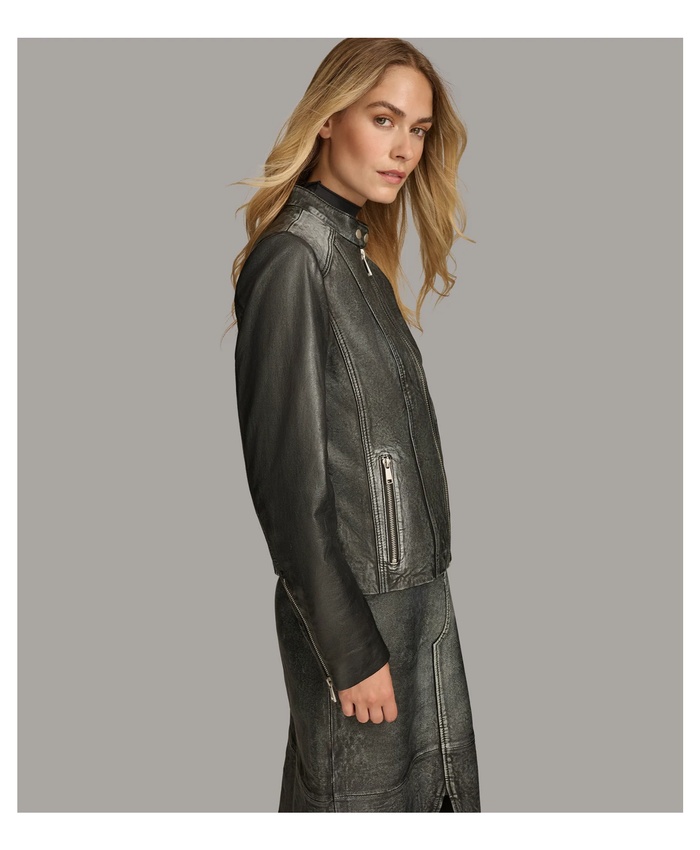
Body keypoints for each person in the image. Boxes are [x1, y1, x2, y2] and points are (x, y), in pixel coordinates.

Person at [228, 38, 481, 813]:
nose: (405, 149)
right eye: (384, 119)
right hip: (363, 622)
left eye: (419, 130)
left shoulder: (358, 257)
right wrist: (350, 649)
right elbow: (288, 490)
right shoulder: (293, 261)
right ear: (329, 117)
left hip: (421, 613)